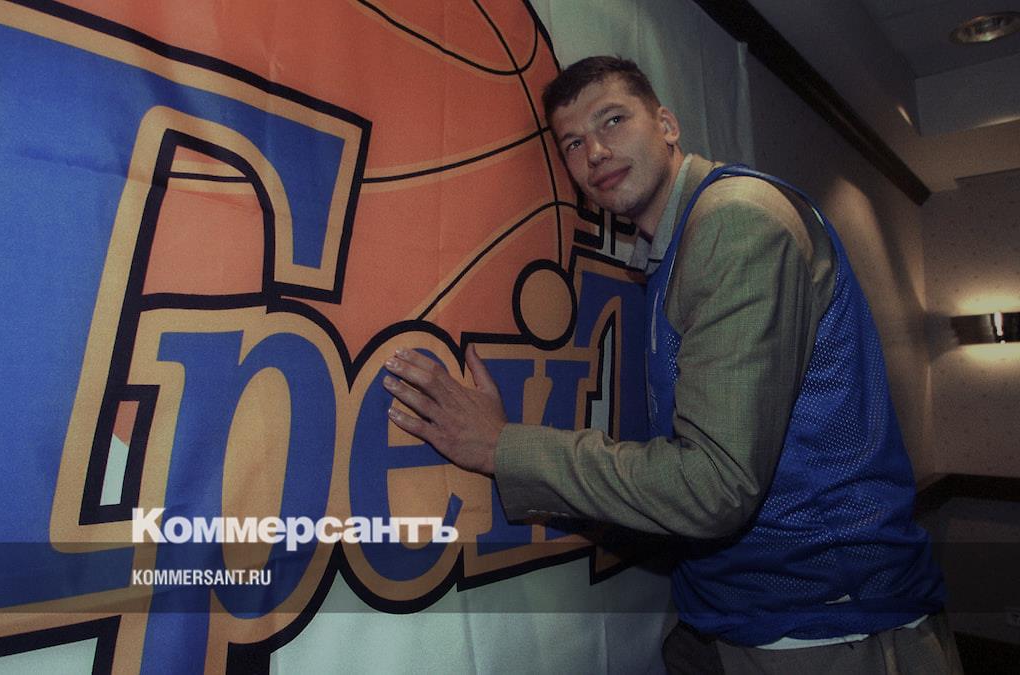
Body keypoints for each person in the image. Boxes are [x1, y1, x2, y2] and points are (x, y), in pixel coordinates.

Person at [380, 56, 960, 673]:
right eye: (573, 142)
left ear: (667, 125)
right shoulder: (672, 247)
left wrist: (501, 446)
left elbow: (715, 485)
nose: (595, 152)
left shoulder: (734, 221)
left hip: (828, 624)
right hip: (741, 613)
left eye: (613, 120)